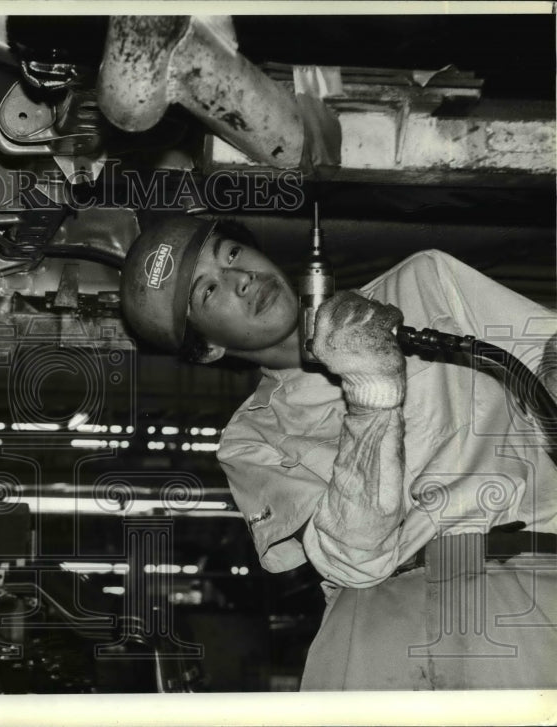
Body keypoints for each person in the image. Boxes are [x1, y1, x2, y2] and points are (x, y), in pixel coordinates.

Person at [119, 214, 557, 690]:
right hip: (382, 622)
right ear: (206, 349)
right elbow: (352, 561)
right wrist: (371, 396)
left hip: (531, 576)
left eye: (230, 254)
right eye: (207, 291)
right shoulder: (251, 438)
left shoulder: (424, 282)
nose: (239, 280)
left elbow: (544, 356)